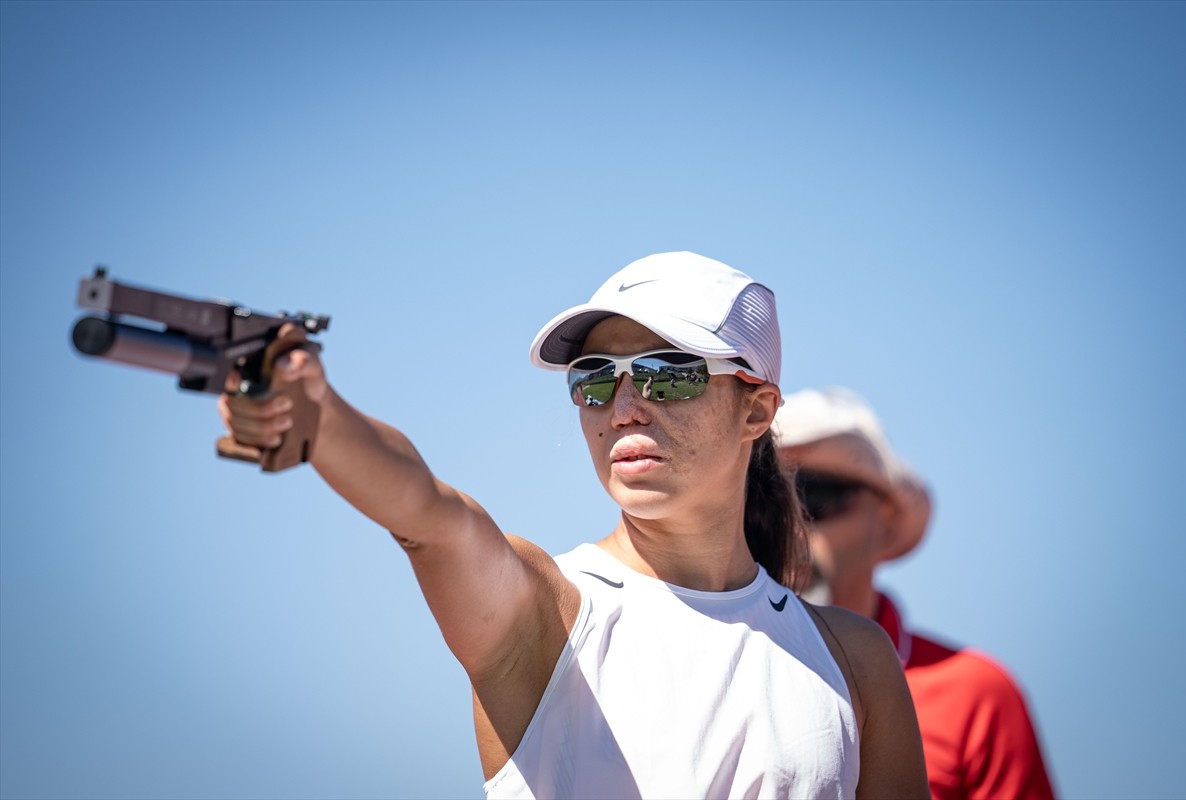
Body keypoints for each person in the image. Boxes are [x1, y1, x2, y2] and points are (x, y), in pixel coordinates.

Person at [219, 252, 930, 798]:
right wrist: (321, 420)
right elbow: (429, 516)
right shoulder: (551, 610)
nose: (623, 407)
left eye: (666, 373)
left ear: (756, 410)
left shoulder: (856, 662)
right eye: (594, 379)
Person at [774, 387, 1056, 800]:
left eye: (816, 495)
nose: (791, 525)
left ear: (885, 524)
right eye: (766, 499)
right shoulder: (710, 670)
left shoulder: (976, 696)